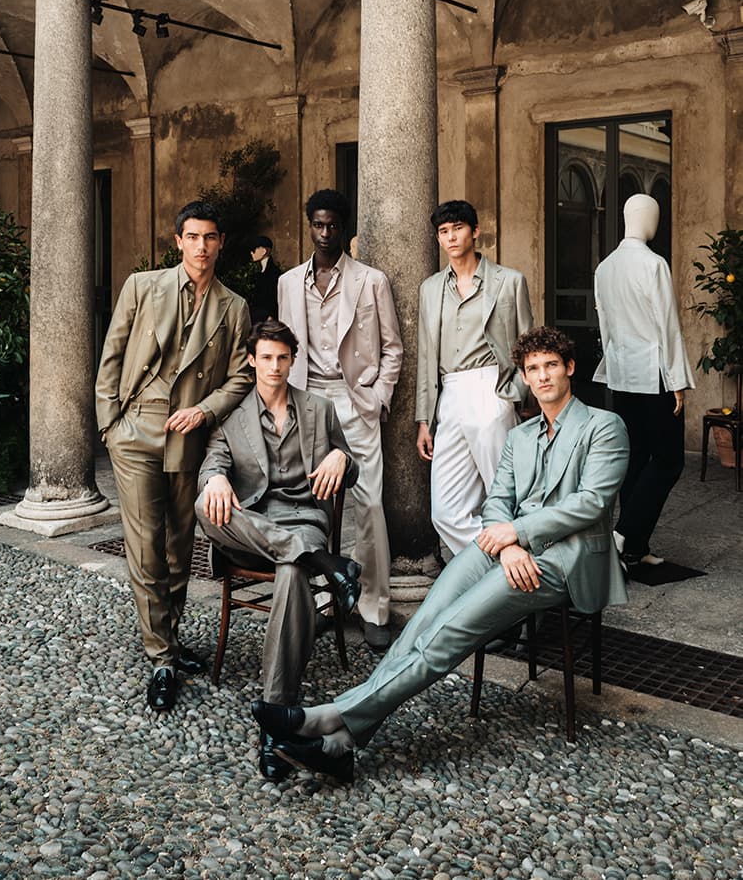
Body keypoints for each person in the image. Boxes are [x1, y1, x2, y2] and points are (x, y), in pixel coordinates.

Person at [251, 326, 629, 783]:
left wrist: (516, 532)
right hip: (509, 549)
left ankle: (328, 717)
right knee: (425, 620)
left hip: (566, 560)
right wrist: (508, 541)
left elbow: (591, 503)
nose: (543, 376)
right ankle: (342, 744)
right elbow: (496, 502)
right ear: (525, 378)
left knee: (451, 630)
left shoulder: (604, 426)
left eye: (552, 365)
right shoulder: (521, 436)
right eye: (533, 369)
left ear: (570, 368)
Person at [95, 200, 253, 712]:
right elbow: (112, 353)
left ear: (220, 242)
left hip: (189, 433)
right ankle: (160, 655)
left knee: (180, 547)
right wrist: (110, 425)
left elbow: (242, 375)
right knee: (144, 546)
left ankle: (172, 633)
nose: (200, 246)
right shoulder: (142, 287)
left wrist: (205, 411)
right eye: (192, 237)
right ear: (178, 240)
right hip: (137, 428)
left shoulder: (234, 306)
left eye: (209, 237)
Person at [195, 318, 359, 781]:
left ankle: (275, 722)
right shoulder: (233, 417)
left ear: (293, 360)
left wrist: (341, 457)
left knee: (291, 572)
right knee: (205, 505)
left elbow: (352, 470)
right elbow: (211, 464)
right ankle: (328, 565)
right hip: (253, 527)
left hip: (303, 522)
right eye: (265, 357)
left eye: (282, 358)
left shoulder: (319, 409)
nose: (274, 366)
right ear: (252, 360)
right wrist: (218, 479)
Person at [278, 189, 403, 651]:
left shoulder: (372, 281)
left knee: (368, 504)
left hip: (356, 401)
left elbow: (393, 348)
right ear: (309, 226)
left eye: (333, 225)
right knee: (310, 504)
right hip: (306, 402)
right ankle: (325, 600)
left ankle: (374, 606)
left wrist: (378, 397)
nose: (325, 233)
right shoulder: (289, 282)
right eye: (318, 225)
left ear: (345, 228)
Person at [416, 200, 534, 555]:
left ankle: (518, 581)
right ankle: (502, 568)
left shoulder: (509, 282)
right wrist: (424, 419)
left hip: (492, 390)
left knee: (504, 495)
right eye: (443, 231)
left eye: (458, 228)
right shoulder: (431, 288)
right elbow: (425, 355)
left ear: (475, 231)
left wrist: (516, 396)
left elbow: (528, 344)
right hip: (449, 396)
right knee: (446, 511)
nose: (451, 237)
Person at [593, 193, 695, 568]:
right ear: (645, 218)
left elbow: (605, 327)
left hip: (622, 375)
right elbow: (667, 326)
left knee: (635, 458)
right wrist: (677, 379)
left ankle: (635, 547)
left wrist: (612, 369)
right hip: (655, 375)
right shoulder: (654, 264)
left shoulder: (604, 267)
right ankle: (624, 534)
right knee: (669, 460)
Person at [250, 235, 281, 322]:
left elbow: (274, 297)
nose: (252, 253)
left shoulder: (274, 273)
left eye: (254, 250)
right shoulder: (262, 272)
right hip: (259, 318)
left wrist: (271, 316)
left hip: (267, 319)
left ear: (263, 251)